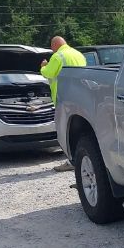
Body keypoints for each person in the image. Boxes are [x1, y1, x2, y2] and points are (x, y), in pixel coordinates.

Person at [40, 36, 86, 171]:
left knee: (65, 131)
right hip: (81, 97)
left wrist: (43, 66)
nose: (51, 49)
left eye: (51, 46)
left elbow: (48, 73)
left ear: (55, 45)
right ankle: (79, 158)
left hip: (64, 98)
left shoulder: (58, 56)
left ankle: (71, 161)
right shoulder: (78, 54)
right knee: (79, 129)